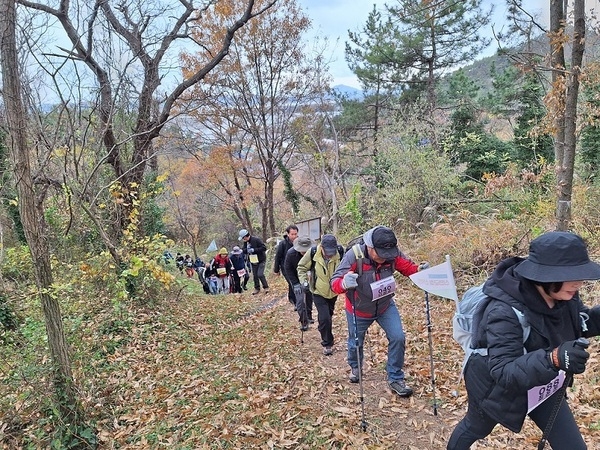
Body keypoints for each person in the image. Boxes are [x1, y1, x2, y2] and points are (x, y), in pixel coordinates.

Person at [447, 231, 600, 450]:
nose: (580, 282)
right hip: (494, 386)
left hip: (544, 380)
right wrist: (555, 358)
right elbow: (503, 371)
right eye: (572, 274)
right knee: (475, 428)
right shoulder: (503, 310)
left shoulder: (564, 292)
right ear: (544, 275)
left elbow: (579, 323)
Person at [331, 225, 428, 398]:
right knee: (355, 342)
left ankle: (395, 377)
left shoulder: (392, 253)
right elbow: (335, 282)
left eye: (388, 255)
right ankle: (355, 365)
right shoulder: (355, 255)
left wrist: (420, 270)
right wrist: (345, 283)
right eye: (380, 254)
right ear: (370, 247)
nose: (385, 259)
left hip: (384, 306)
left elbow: (408, 268)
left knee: (398, 337)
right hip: (358, 309)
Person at [298, 234, 344, 355]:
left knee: (328, 316)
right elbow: (301, 267)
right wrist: (304, 282)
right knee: (324, 318)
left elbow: (347, 268)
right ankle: (327, 343)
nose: (330, 254)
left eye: (331, 252)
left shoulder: (340, 252)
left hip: (334, 292)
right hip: (318, 291)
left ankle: (324, 328)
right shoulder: (313, 252)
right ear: (321, 247)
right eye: (327, 251)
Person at [285, 235, 315, 331]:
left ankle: (309, 316)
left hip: (309, 277)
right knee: (300, 301)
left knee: (309, 297)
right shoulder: (291, 254)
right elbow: (287, 269)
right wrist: (295, 283)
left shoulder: (314, 252)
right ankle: (303, 321)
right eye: (302, 250)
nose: (304, 252)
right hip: (296, 279)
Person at [273, 225, 299, 308]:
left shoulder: (299, 242)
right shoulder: (282, 244)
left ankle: (291, 297)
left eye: (295, 234)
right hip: (286, 268)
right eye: (292, 234)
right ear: (288, 234)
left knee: (294, 282)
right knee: (293, 283)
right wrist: (276, 270)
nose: (294, 236)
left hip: (297, 266)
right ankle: (296, 303)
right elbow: (278, 257)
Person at [239, 228, 269, 295]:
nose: (243, 239)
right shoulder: (245, 242)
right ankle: (257, 288)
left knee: (260, 274)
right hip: (253, 260)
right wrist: (245, 250)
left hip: (261, 260)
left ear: (246, 236)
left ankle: (266, 287)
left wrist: (254, 250)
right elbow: (244, 250)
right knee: (255, 275)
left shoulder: (256, 240)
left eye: (243, 238)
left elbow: (264, 248)